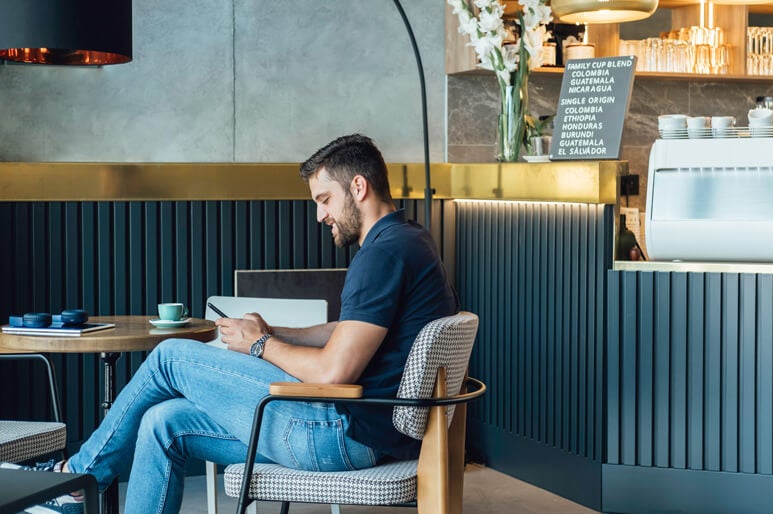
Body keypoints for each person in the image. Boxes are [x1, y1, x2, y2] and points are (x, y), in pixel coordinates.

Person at [2, 134, 458, 514]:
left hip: (342, 436)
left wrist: (260, 346)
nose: (320, 215)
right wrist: (277, 332)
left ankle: (73, 481)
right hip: (368, 433)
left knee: (168, 356)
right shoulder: (409, 239)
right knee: (163, 422)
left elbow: (335, 373)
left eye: (324, 199)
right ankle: (77, 480)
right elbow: (349, 332)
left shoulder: (380, 255)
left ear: (358, 187)